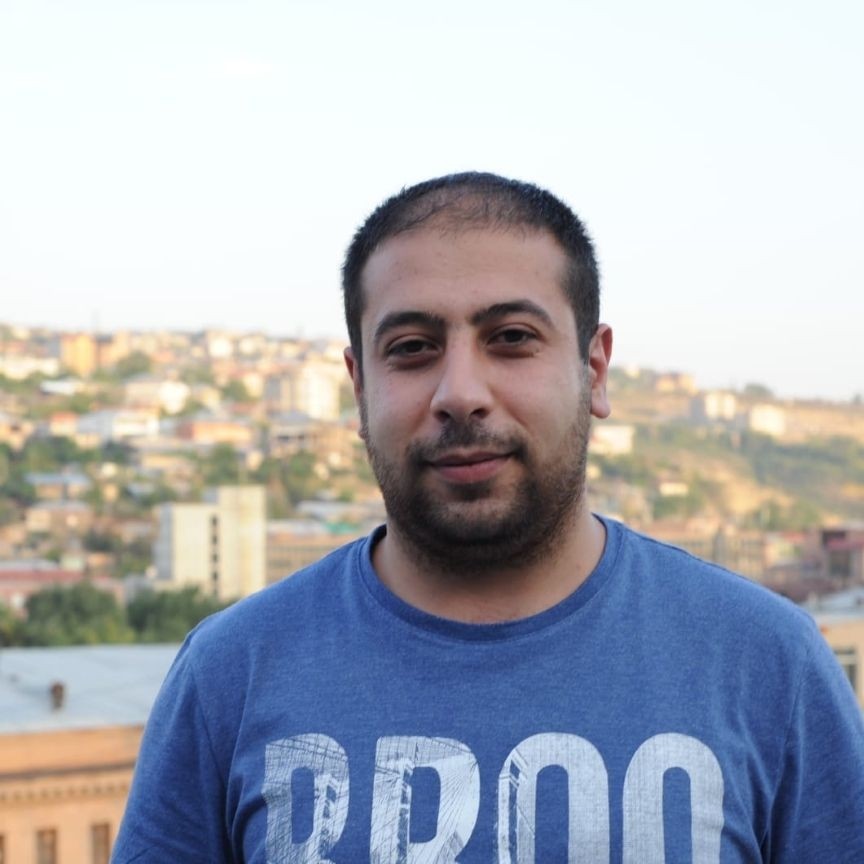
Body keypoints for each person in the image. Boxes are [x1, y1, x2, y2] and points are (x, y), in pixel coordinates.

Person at [112, 172, 864, 863]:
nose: (460, 393)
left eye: (511, 339)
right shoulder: (231, 673)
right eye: (412, 348)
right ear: (359, 388)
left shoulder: (767, 663)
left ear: (594, 369)